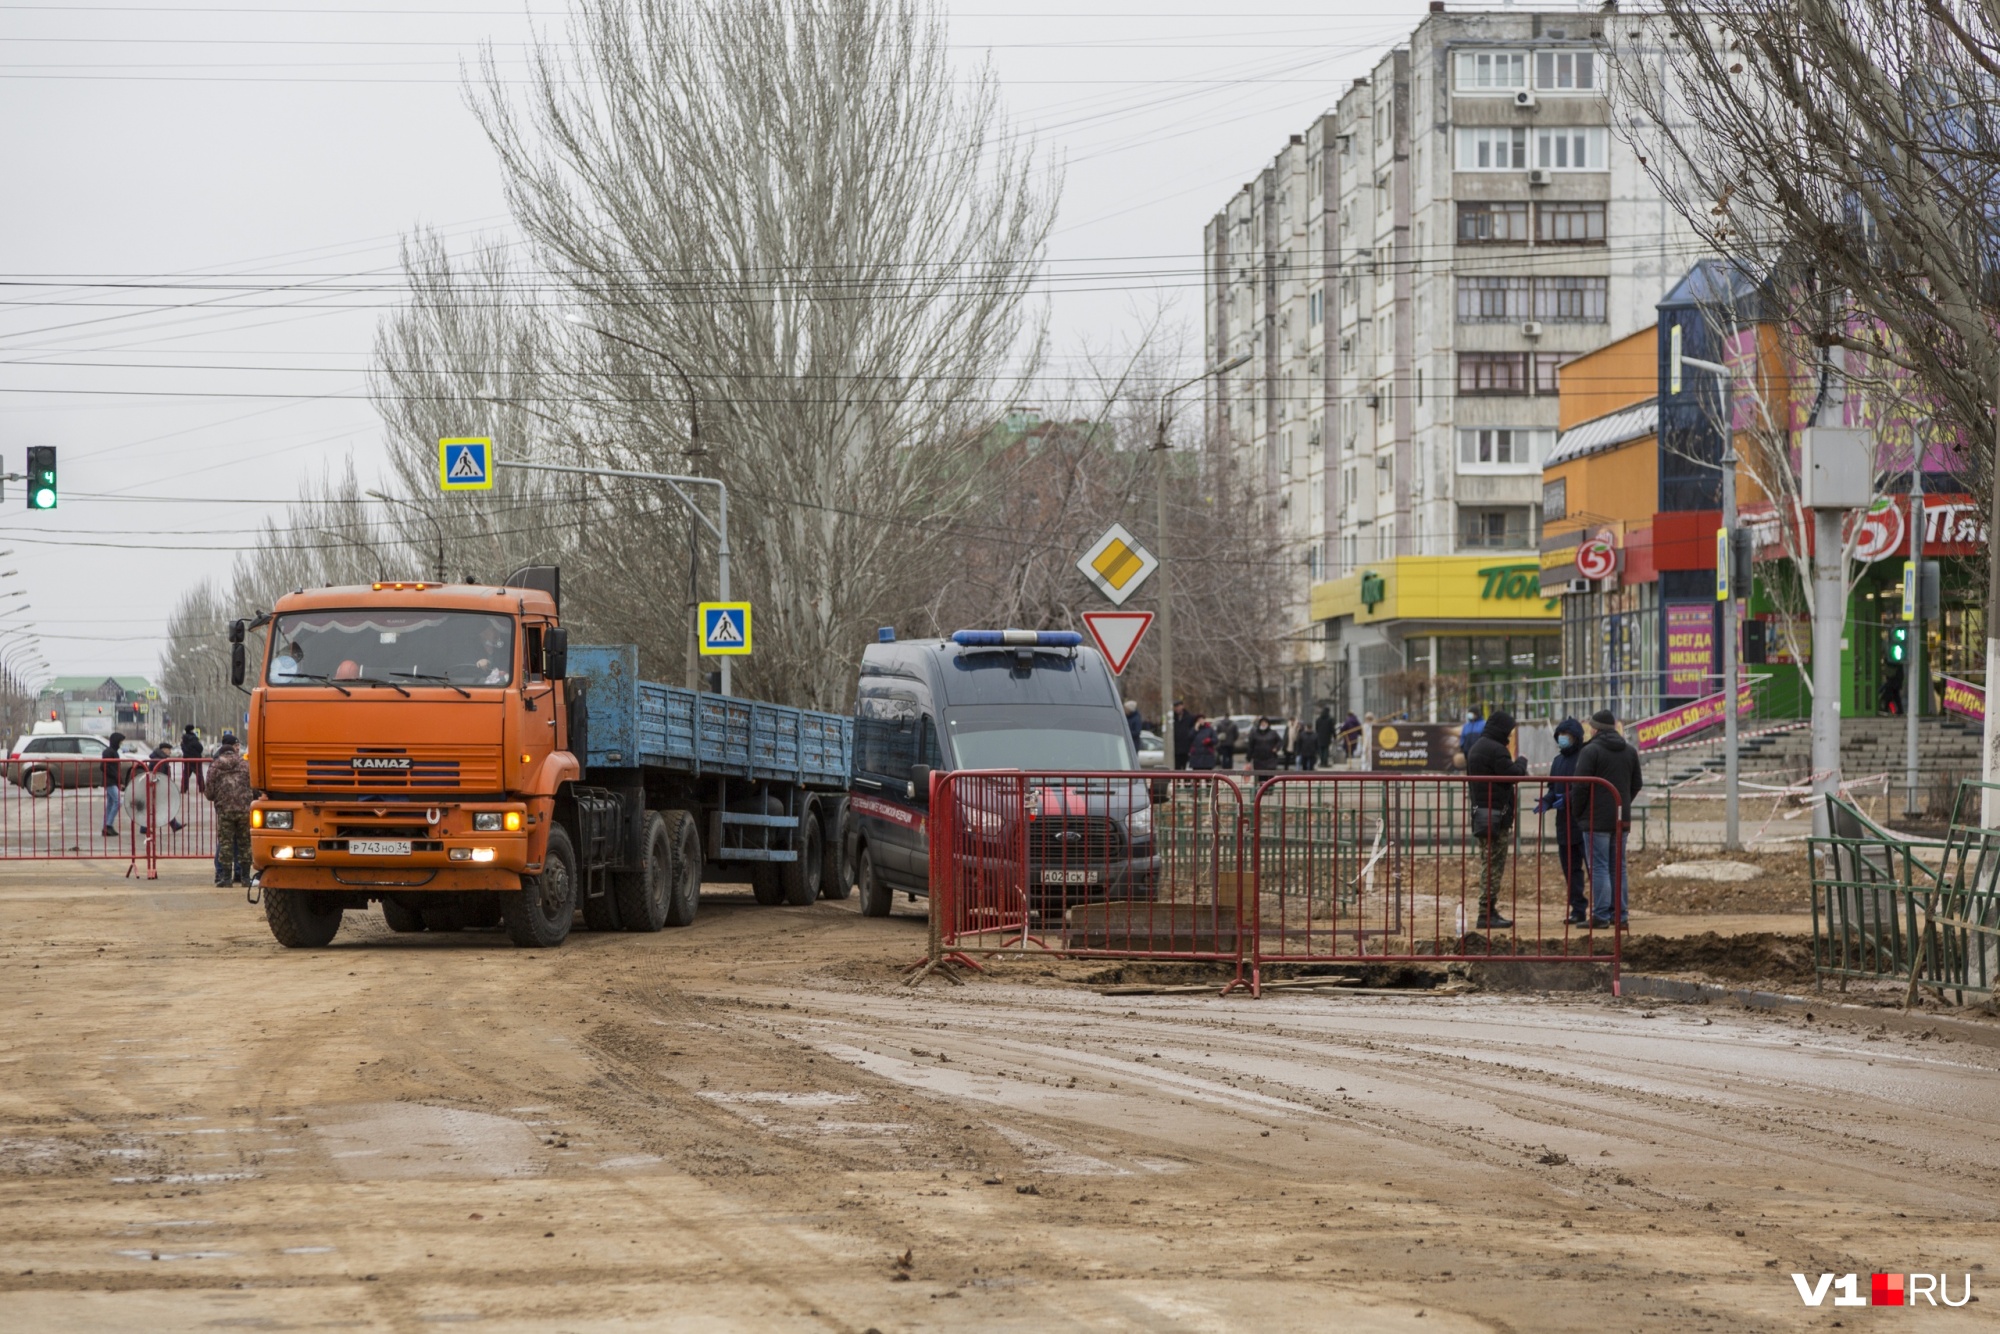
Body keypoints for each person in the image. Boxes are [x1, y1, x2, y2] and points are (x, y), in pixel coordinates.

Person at [1573, 709, 1643, 928]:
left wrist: (1579, 811)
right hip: (1621, 819)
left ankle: (1601, 915)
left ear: (1595, 729)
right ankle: (1620, 916)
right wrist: (1623, 802)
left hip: (1596, 819)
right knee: (1618, 866)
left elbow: (1580, 786)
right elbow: (1636, 783)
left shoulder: (1590, 751)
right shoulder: (1629, 751)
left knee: (1600, 866)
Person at [1465, 710, 1527, 930]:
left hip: (1482, 814)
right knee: (1493, 865)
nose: (1510, 734)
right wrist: (1521, 762)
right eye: (1509, 730)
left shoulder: (1477, 747)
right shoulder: (1496, 750)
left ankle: (1488, 910)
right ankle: (1486, 912)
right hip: (1496, 816)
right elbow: (1512, 774)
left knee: (1488, 862)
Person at [1533, 717, 1590, 926]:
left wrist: (1566, 799)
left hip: (1583, 820)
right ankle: (1578, 909)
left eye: (1566, 735)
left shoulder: (1584, 756)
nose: (1562, 739)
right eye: (1560, 736)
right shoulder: (1557, 761)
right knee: (1570, 868)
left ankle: (1604, 909)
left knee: (1593, 867)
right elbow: (1552, 787)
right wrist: (1548, 800)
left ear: (1576, 737)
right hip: (1563, 823)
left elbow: (1585, 787)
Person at [206, 731, 254, 888]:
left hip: (225, 810)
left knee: (225, 843)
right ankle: (246, 877)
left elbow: (209, 791)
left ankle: (226, 878)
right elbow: (254, 784)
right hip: (244, 808)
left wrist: (217, 799)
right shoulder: (245, 765)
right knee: (245, 843)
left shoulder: (215, 766)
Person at [99, 732, 128, 838]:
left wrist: (120, 781)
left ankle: (106, 827)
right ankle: (108, 825)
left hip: (113, 781)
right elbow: (104, 767)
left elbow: (115, 769)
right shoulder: (108, 752)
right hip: (110, 781)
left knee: (111, 804)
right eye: (120, 741)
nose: (121, 744)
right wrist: (117, 778)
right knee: (118, 801)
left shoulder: (114, 752)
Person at [178, 723, 206, 798]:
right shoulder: (193, 738)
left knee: (186, 775)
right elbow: (200, 748)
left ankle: (183, 789)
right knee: (199, 774)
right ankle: (202, 789)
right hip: (196, 759)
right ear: (192, 730)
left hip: (187, 759)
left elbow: (183, 748)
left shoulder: (183, 740)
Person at [1171, 700, 1194, 770]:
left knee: (1185, 767)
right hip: (1176, 748)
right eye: (1175, 707)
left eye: (1178, 706)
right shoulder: (1172, 718)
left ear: (1182, 706)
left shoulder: (1189, 717)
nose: (1177, 708)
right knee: (1177, 767)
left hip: (1186, 747)